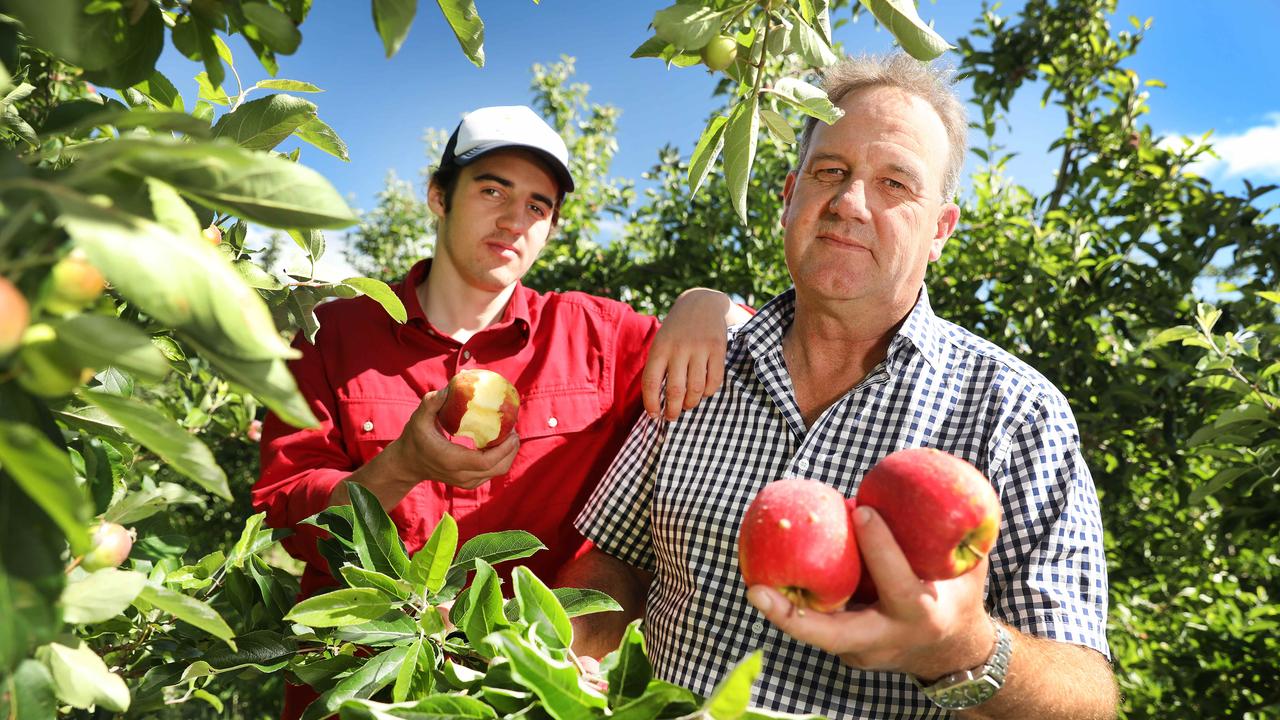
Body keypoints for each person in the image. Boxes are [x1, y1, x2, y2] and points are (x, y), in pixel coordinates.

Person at [562, 54, 1119, 719]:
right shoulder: (701, 363)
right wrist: (569, 649)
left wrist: (960, 648)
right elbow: (616, 561)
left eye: (894, 183)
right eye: (831, 172)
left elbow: (1089, 698)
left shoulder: (1014, 415)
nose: (851, 203)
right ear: (788, 197)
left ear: (941, 229)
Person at [252, 105, 749, 719]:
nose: (515, 220)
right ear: (439, 196)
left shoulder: (597, 336)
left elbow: (744, 357)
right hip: (361, 684)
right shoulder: (333, 334)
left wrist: (704, 302)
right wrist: (402, 465)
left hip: (536, 692)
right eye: (493, 190)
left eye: (538, 207)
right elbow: (290, 514)